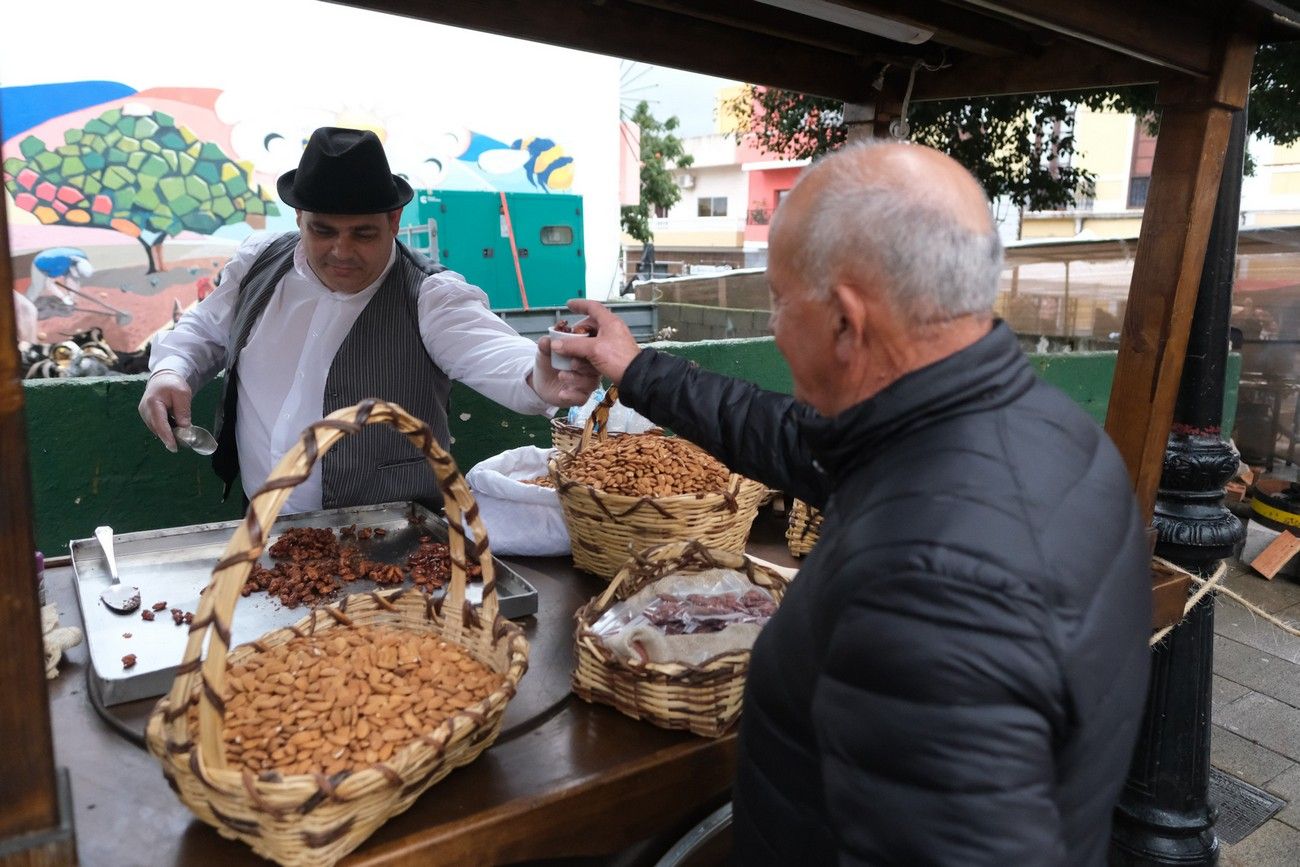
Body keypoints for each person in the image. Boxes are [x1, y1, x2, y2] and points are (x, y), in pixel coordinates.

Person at [557, 140, 1151, 865]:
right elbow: (782, 434)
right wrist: (636, 368)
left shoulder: (928, 587)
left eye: (778, 300)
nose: (774, 325)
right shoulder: (1033, 424)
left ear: (844, 319)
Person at [140, 126, 596, 511]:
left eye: (363, 233)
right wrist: (171, 370)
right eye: (323, 230)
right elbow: (205, 329)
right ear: (298, 217)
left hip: (390, 539)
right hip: (261, 527)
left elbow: (501, 357)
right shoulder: (257, 264)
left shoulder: (431, 297)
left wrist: (545, 376)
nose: (341, 251)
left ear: (395, 221)